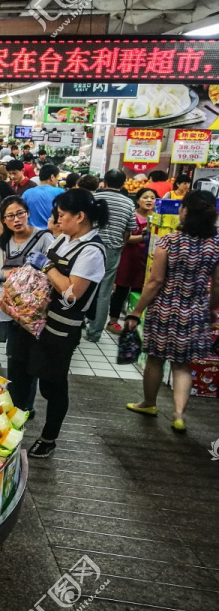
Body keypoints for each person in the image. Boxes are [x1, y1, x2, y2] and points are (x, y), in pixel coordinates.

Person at [13, 189, 109, 458]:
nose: (56, 220)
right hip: (35, 322)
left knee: (52, 384)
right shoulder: (64, 239)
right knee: (21, 374)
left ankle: (49, 437)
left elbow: (71, 292)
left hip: (61, 328)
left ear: (80, 216)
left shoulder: (91, 251)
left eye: (61, 215)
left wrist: (47, 267)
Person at [126, 190, 219, 432]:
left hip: (165, 308)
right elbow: (217, 284)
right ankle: (178, 414)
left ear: (185, 212)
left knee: (155, 359)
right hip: (196, 310)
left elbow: (155, 281)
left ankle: (149, 403)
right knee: (182, 365)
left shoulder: (168, 242)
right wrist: (210, 310)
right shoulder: (215, 245)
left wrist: (136, 311)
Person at [0, 195, 54, 417]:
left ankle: (26, 406)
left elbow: (52, 271)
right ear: (4, 220)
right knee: (13, 355)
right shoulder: (4, 241)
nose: (16, 219)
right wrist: (10, 275)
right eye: (10, 216)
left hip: (34, 313)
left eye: (20, 213)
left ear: (28, 213)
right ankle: (13, 402)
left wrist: (23, 277)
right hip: (11, 310)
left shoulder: (44, 238)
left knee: (30, 359)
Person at [87, 168, 137, 343]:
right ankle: (94, 332)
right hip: (113, 250)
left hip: (90, 247)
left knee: (84, 286)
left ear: (105, 182)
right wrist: (120, 246)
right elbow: (128, 231)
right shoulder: (128, 203)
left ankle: (79, 323)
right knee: (104, 292)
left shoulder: (94, 198)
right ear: (123, 184)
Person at [108, 187, 156, 333]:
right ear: (138, 200)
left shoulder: (158, 218)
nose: (149, 200)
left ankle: (134, 322)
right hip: (129, 257)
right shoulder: (132, 216)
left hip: (147, 259)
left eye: (152, 198)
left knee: (140, 291)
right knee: (122, 290)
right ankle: (113, 321)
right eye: (145, 197)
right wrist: (143, 236)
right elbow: (127, 238)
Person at [23, 164, 63, 229]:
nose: (57, 180)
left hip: (32, 234)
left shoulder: (27, 193)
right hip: (53, 232)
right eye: (57, 177)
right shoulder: (60, 192)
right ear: (52, 177)